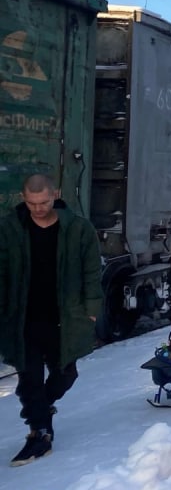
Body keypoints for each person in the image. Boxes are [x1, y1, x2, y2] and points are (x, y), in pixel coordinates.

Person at [0, 174, 103, 466]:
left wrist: (92, 307)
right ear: (24, 198)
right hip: (23, 318)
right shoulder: (10, 229)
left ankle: (43, 408)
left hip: (65, 316)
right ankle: (40, 434)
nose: (38, 208)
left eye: (43, 202)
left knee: (66, 373)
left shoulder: (79, 229)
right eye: (31, 203)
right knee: (29, 376)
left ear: (55, 194)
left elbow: (91, 272)